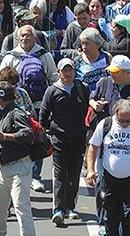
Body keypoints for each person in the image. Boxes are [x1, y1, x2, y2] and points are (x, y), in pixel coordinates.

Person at [86, 99, 130, 236]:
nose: (124, 124)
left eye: (128, 121)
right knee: (111, 218)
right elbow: (93, 148)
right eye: (121, 120)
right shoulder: (106, 124)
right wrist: (90, 170)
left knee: (128, 217)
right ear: (115, 113)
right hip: (109, 178)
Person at [39, 57, 89, 226]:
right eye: (64, 70)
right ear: (58, 73)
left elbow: (87, 112)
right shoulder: (52, 91)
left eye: (70, 70)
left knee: (74, 174)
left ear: (74, 71)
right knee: (60, 174)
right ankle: (58, 209)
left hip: (78, 139)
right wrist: (48, 134)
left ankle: (70, 207)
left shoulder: (82, 88)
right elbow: (43, 116)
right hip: (59, 139)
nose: (67, 74)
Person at [0, 81, 36, 236]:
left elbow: (28, 134)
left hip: (18, 168)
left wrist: (6, 136)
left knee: (21, 207)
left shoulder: (17, 113)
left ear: (0, 96)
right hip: (0, 168)